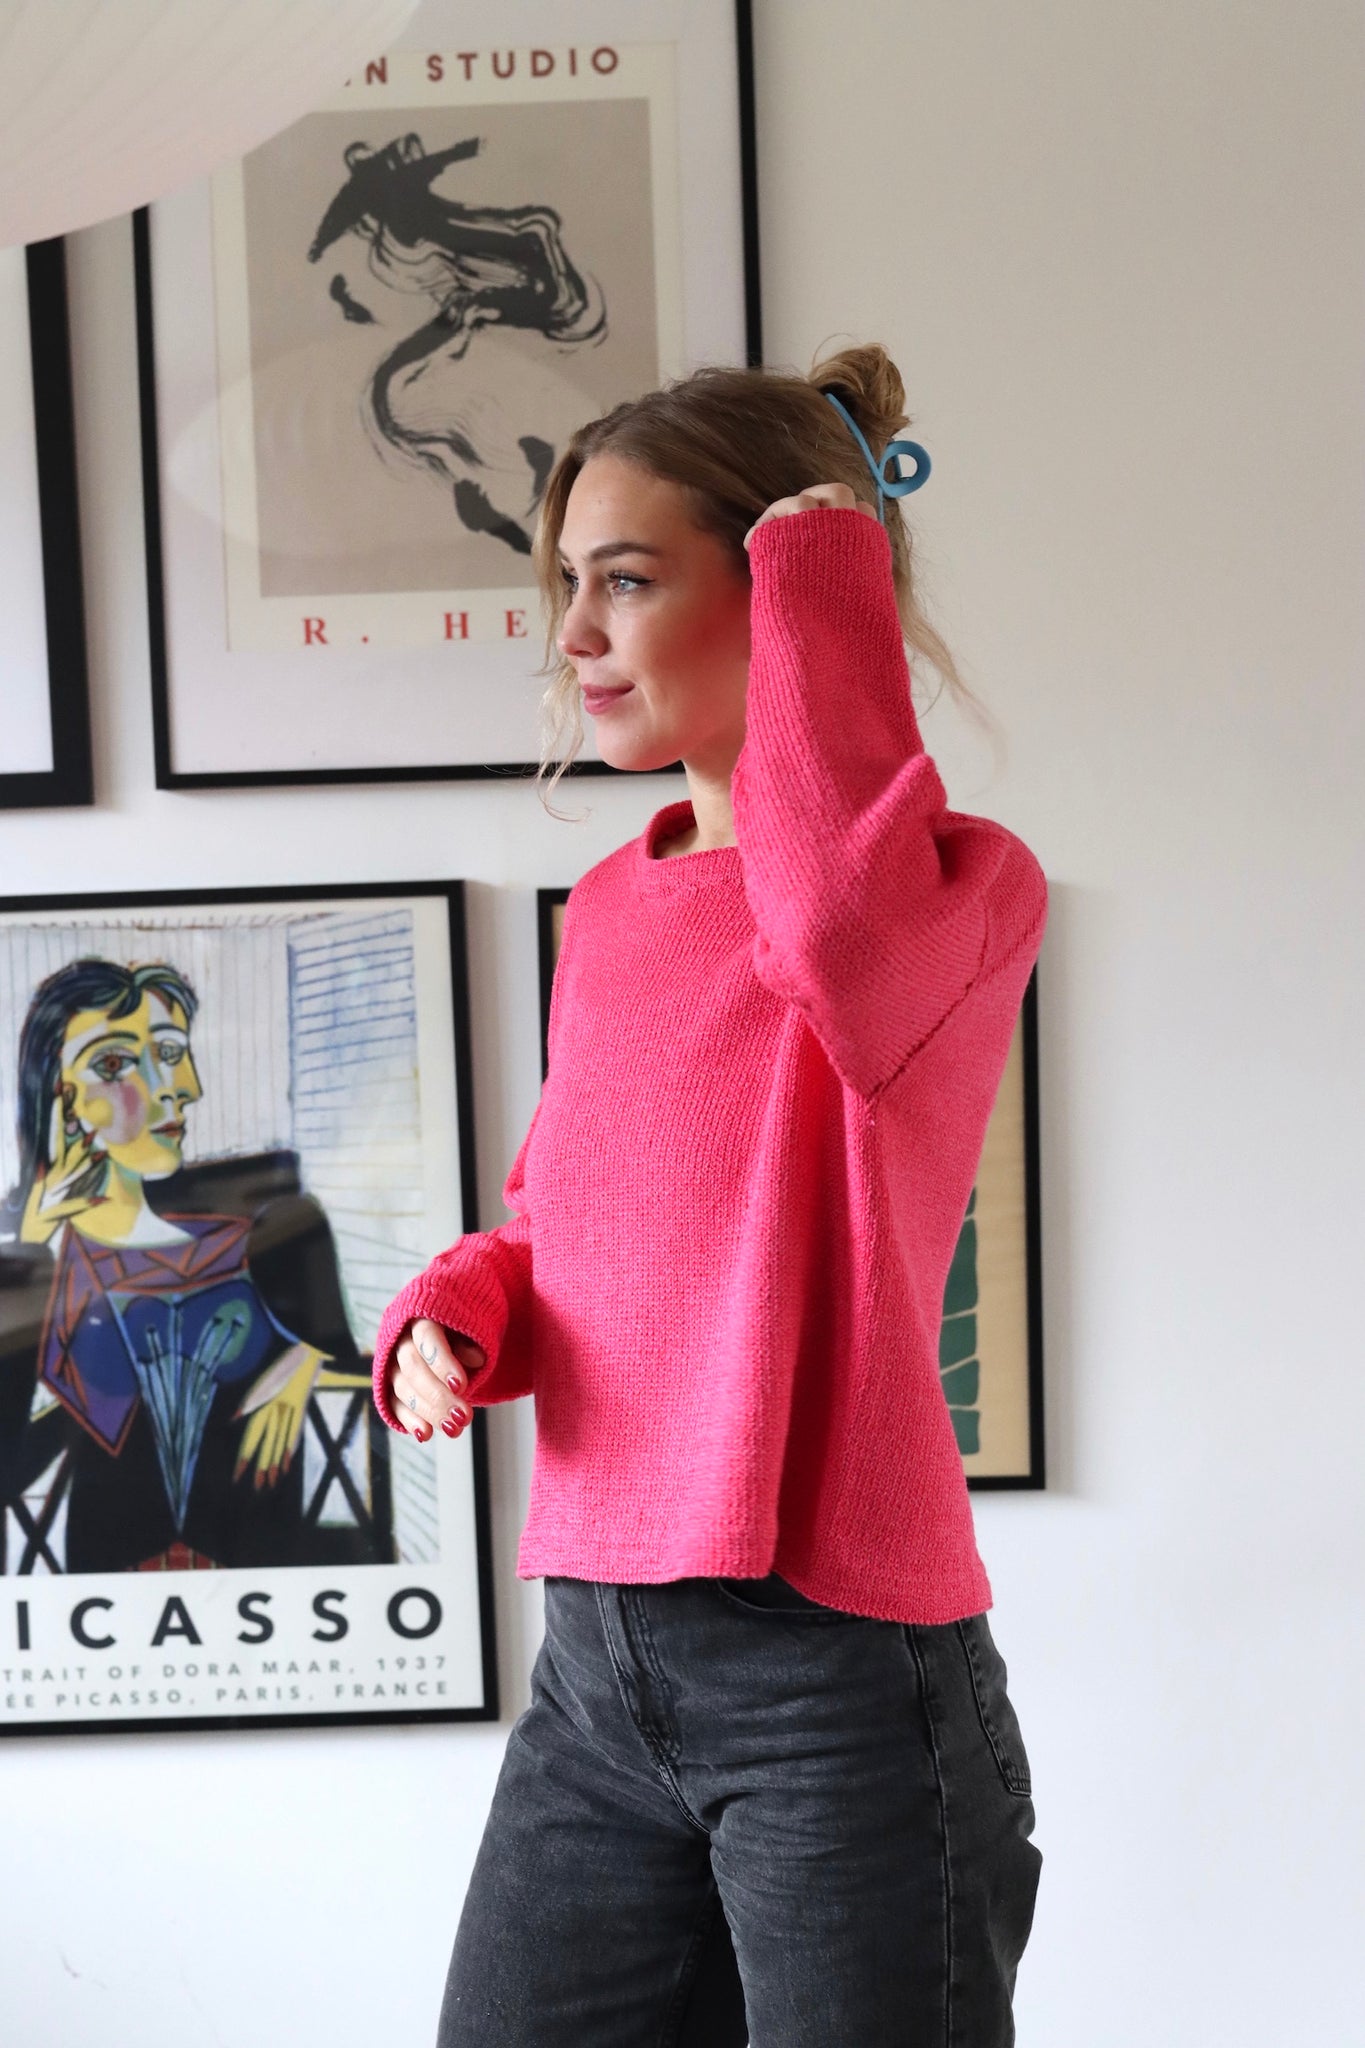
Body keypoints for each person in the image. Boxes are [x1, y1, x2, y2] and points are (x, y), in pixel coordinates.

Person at [371, 343, 1047, 2044]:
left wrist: (831, 561)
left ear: (785, 594)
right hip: (595, 1665)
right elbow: (561, 1219)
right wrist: (456, 1310)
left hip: (835, 1677)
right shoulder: (612, 909)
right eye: (566, 586)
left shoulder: (958, 890)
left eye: (625, 580)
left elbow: (836, 935)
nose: (574, 636)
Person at [0, 956, 386, 1571]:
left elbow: (350, 1363)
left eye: (171, 1052)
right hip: (105, 1577)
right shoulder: (34, 1263)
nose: (176, 1089)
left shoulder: (267, 1238)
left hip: (264, 1559)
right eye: (115, 1064)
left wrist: (300, 1367)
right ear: (61, 1097)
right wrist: (36, 1239)